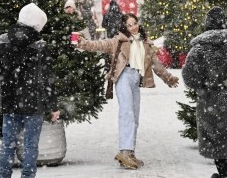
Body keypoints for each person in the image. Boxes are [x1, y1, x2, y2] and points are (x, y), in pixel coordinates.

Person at [75, 13, 179, 170]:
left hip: (136, 79)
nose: (133, 27)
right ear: (125, 27)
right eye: (129, 25)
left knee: (134, 116)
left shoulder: (145, 43)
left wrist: (168, 78)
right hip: (123, 77)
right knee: (127, 113)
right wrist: (83, 43)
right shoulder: (118, 40)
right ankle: (124, 151)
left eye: (134, 23)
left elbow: (156, 65)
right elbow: (98, 45)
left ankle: (130, 153)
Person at [0, 3, 61, 178]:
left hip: (9, 99)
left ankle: (3, 175)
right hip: (33, 102)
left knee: (8, 144)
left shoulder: (2, 40)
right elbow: (46, 78)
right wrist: (53, 105)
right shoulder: (40, 45)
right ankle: (28, 175)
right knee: (30, 144)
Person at [182, 7, 227, 178]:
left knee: (216, 137)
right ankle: (225, 173)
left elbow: (189, 76)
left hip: (210, 99)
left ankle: (222, 173)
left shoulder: (199, 49)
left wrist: (203, 85)